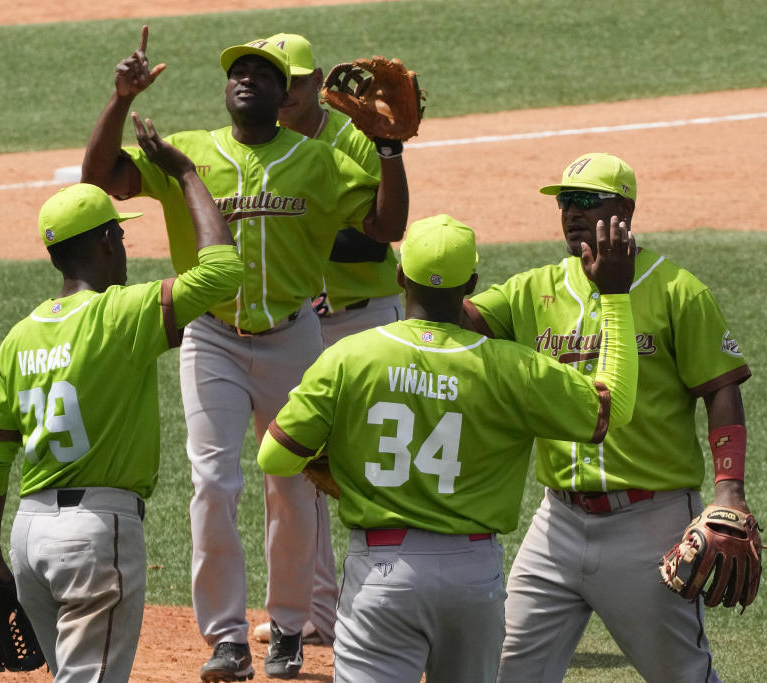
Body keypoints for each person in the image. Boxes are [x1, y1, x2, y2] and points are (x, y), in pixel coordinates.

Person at [80, 26, 409, 681]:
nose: (245, 78)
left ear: (283, 91)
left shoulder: (316, 160)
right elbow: (102, 179)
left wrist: (392, 150)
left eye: (260, 72)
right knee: (212, 483)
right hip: (212, 337)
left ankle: (288, 628)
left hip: (293, 336)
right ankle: (226, 636)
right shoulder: (190, 152)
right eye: (237, 71)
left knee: (290, 487)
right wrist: (119, 100)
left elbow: (387, 228)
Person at [257, 213, 639, 683]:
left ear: (400, 276)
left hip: (381, 570)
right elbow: (613, 408)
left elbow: (274, 456)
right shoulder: (514, 368)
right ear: (471, 284)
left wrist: (344, 467)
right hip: (472, 576)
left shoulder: (349, 356)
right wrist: (617, 297)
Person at [461, 153, 754, 682]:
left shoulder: (677, 291)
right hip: (556, 523)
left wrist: (729, 488)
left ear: (626, 208)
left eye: (587, 201)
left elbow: (722, 389)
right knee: (507, 670)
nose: (571, 213)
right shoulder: (534, 289)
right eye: (564, 202)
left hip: (649, 523)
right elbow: (453, 319)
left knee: (682, 675)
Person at [0, 116, 242, 682]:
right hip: (96, 536)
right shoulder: (125, 313)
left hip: (29, 538)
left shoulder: (21, 335)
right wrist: (187, 174)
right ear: (104, 241)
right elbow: (223, 272)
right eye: (120, 235)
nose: (124, 246)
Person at [248, 31, 406, 650]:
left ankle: (397, 603)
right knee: (297, 465)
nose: (284, 93)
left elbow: (375, 237)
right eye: (274, 80)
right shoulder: (259, 144)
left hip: (366, 318)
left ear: (319, 86)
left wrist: (296, 237)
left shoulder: (354, 141)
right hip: (301, 326)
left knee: (382, 459)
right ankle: (316, 612)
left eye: (295, 81)